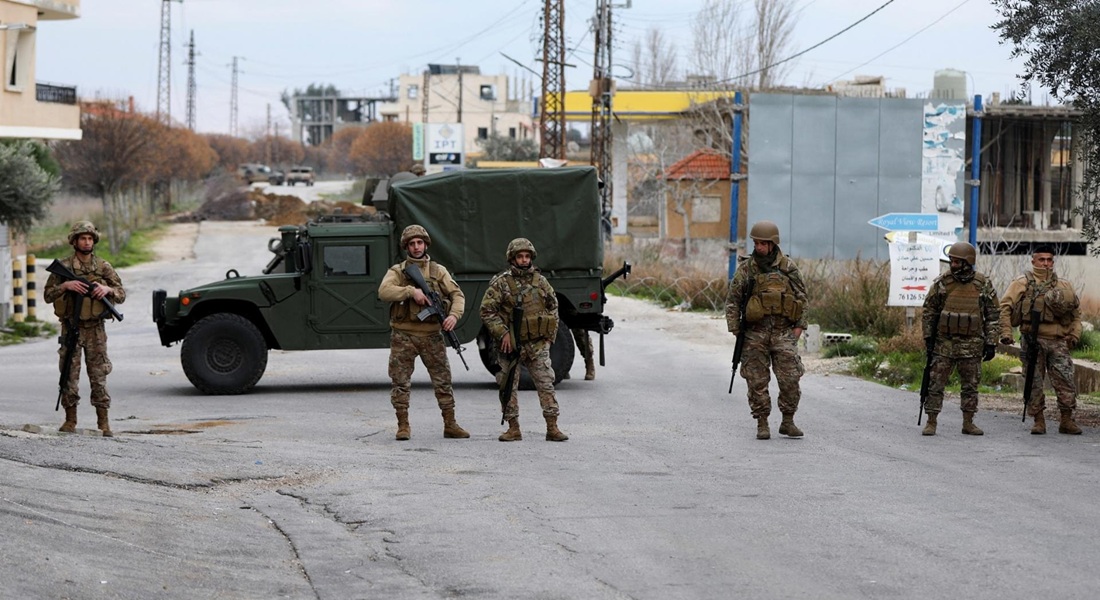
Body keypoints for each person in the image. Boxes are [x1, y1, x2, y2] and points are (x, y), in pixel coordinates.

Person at [378, 224, 469, 440]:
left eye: (420, 242)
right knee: (400, 382)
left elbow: (457, 295)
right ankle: (403, 426)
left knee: (443, 381)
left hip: (432, 335)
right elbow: (384, 291)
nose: (416, 247)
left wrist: (453, 316)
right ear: (406, 247)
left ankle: (450, 424)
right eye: (412, 243)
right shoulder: (398, 271)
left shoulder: (438, 271)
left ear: (426, 244)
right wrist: (411, 291)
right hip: (403, 335)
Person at [42, 221, 126, 437]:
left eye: (90, 238)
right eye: (82, 238)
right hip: (71, 327)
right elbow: (47, 295)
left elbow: (121, 293)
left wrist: (107, 289)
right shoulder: (64, 267)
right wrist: (65, 286)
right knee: (69, 374)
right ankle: (70, 420)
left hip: (95, 329)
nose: (87, 242)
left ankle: (103, 422)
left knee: (99, 375)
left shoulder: (103, 267)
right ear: (75, 241)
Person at [725, 221, 807, 440]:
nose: (759, 247)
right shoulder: (747, 269)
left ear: (772, 244)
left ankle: (788, 421)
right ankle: (762, 422)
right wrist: (736, 329)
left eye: (763, 243)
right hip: (755, 333)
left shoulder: (788, 267)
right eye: (756, 243)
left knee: (790, 378)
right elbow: (733, 300)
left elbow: (802, 297)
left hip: (783, 332)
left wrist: (799, 326)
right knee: (756, 380)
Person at [480, 238, 568, 442]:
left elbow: (553, 308)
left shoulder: (541, 282)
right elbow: (486, 311)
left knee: (546, 384)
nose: (524, 260)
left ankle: (552, 427)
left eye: (527, 256)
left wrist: (549, 337)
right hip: (510, 345)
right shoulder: (501, 283)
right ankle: (513, 428)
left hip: (537, 344)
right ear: (512, 258)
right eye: (519, 256)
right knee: (508, 386)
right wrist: (503, 333)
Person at [998, 244, 1083, 435]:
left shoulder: (1064, 285)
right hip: (1032, 340)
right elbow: (1005, 307)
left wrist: (1074, 335)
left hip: (1058, 342)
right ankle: (1038, 419)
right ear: (1033, 261)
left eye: (1049, 260)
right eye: (1041, 259)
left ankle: (1066, 419)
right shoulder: (1022, 283)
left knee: (1066, 381)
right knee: (1033, 381)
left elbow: (1076, 314)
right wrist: (1006, 333)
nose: (1045, 263)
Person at [919, 242, 1001, 436]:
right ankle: (931, 421)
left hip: (971, 345)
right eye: (952, 261)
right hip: (944, 344)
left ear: (968, 262)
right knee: (935, 384)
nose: (953, 265)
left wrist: (991, 342)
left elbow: (993, 314)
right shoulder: (942, 283)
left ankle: (968, 422)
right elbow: (929, 310)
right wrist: (928, 337)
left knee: (970, 386)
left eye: (957, 262)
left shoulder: (982, 284)